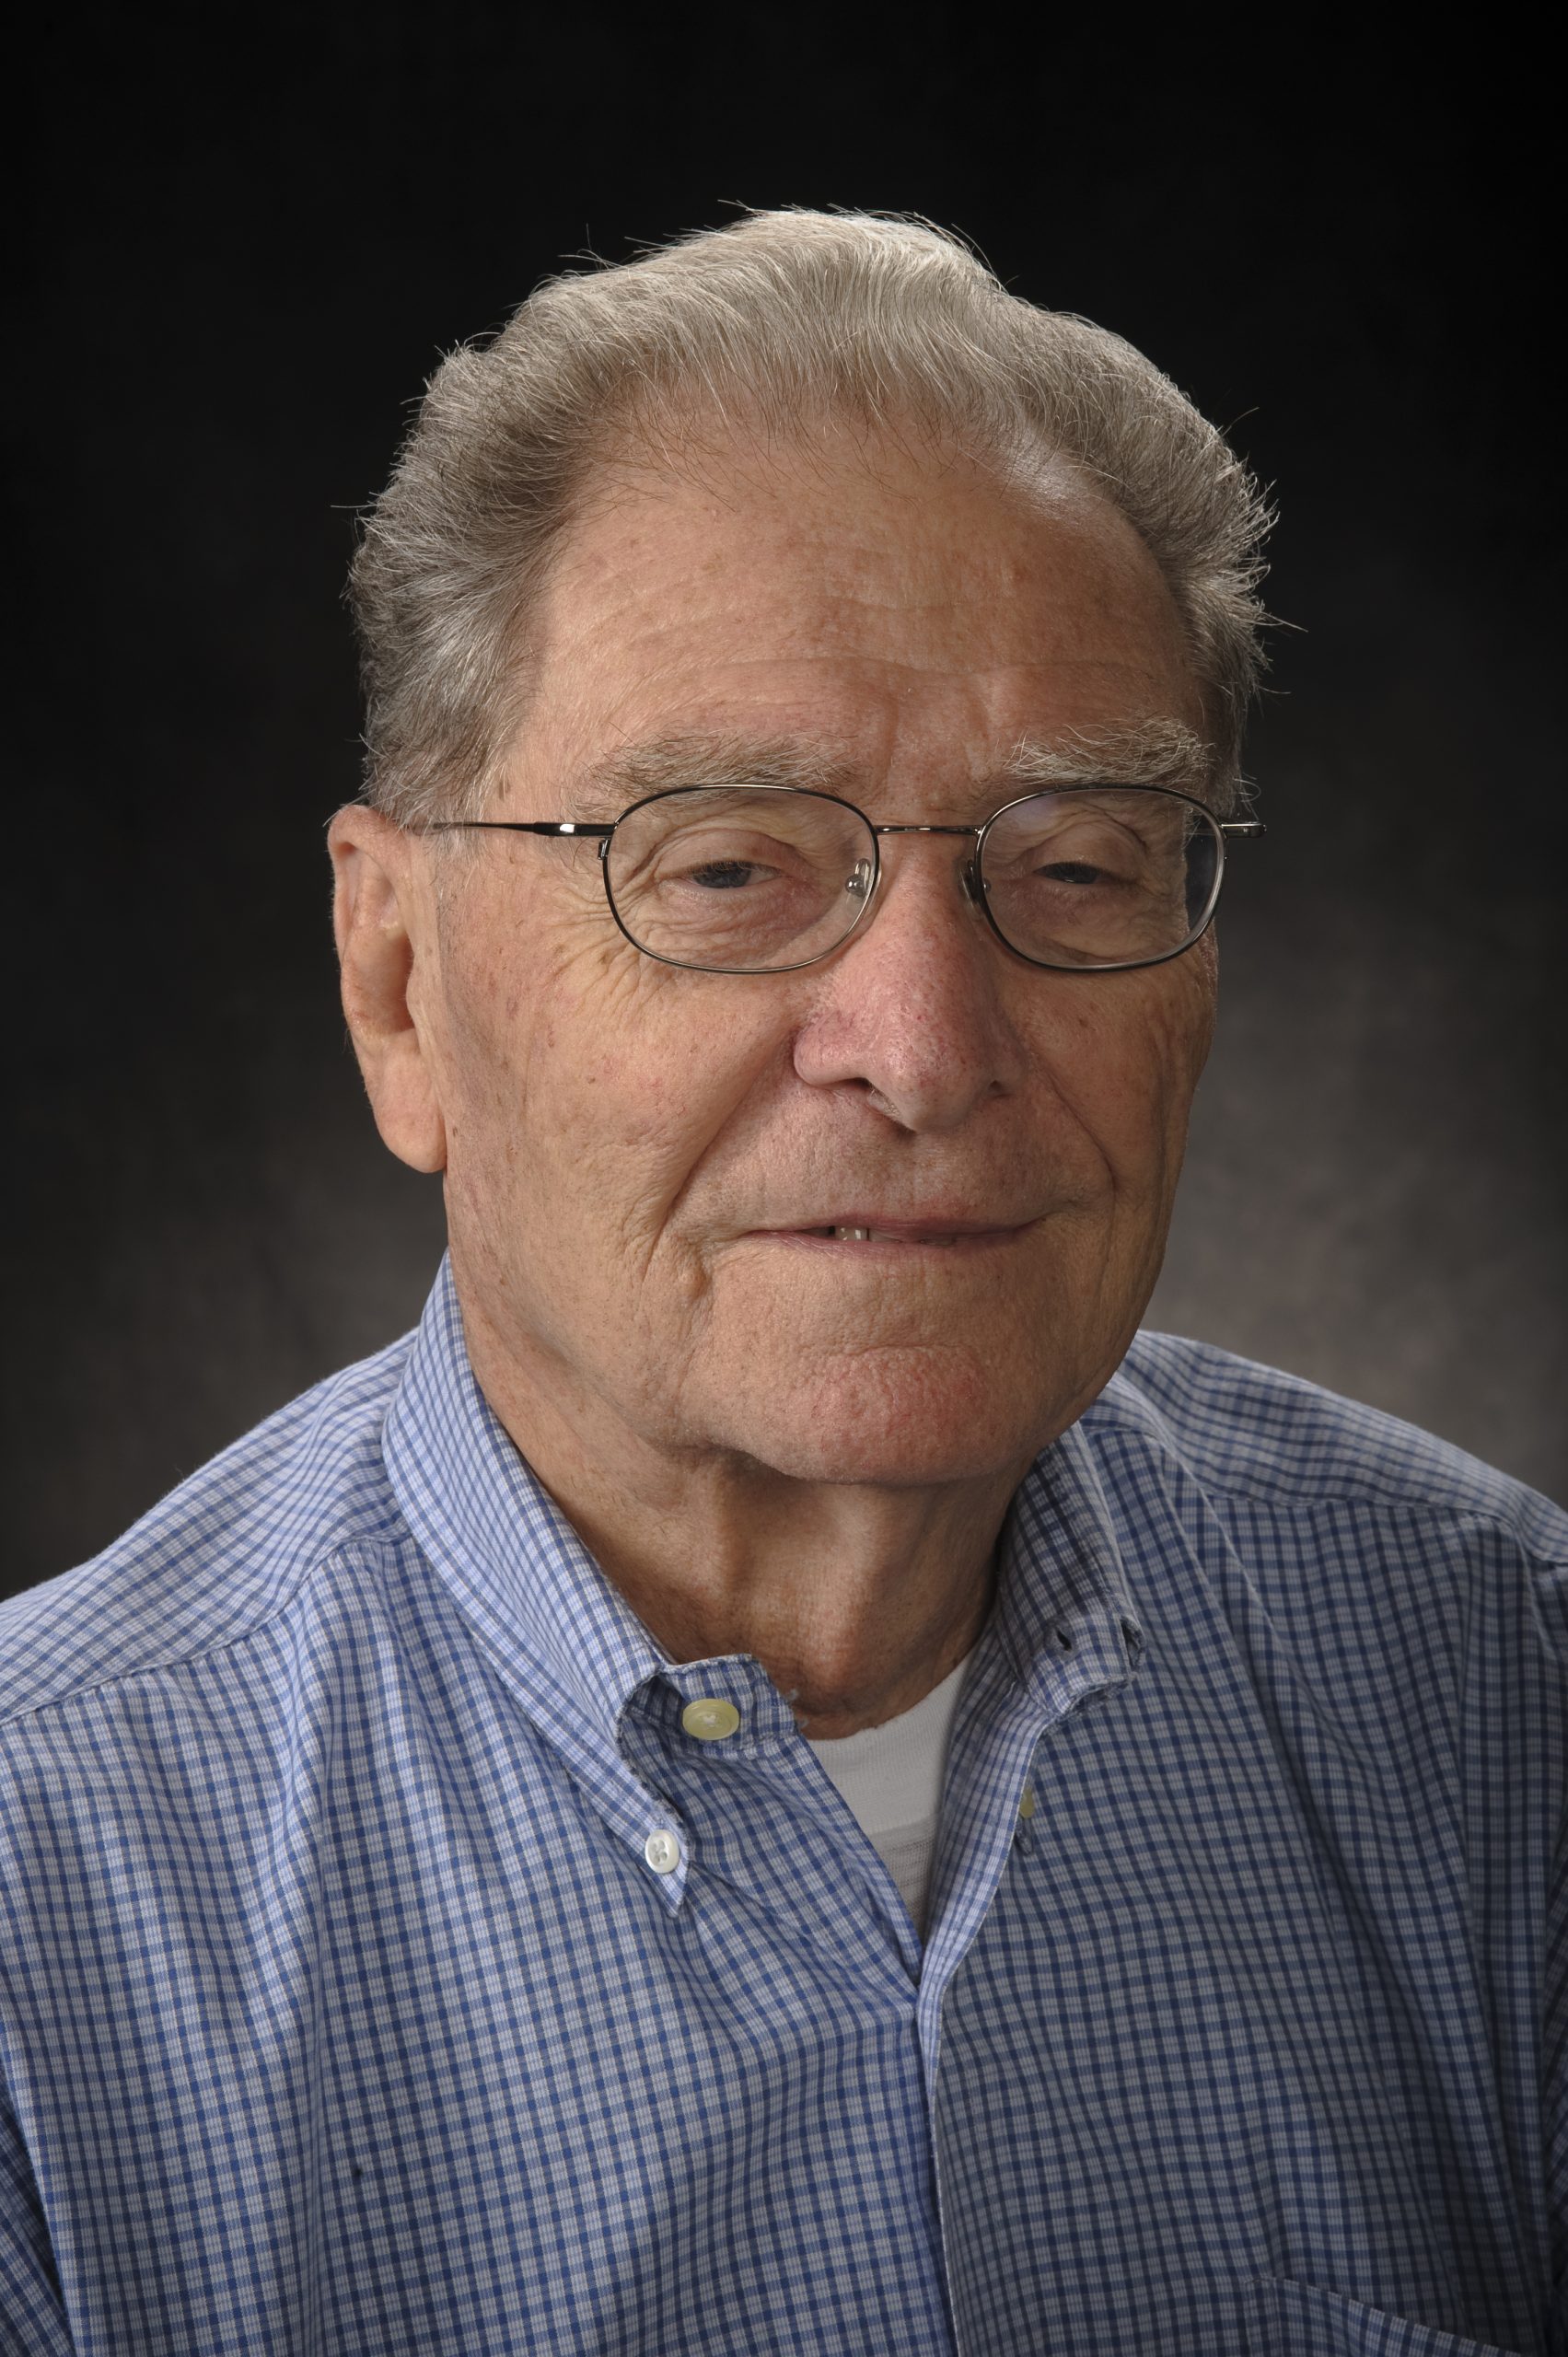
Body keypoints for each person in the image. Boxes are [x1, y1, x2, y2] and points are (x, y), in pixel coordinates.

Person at [1, 209, 1562, 2357]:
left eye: (1078, 860)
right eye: (727, 864)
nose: (922, 1045)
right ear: (397, 988)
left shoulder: (1509, 1703)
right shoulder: (38, 1909)